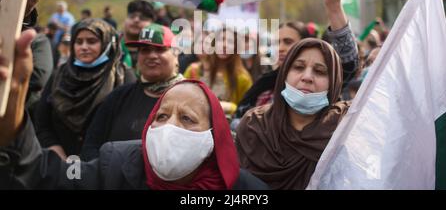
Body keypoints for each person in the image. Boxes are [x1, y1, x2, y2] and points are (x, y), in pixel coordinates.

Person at [0, 52, 269, 190]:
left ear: (213, 137)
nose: (169, 127)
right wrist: (11, 113)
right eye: (161, 116)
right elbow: (47, 175)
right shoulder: (113, 165)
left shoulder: (246, 190)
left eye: (187, 118)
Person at [234, 0, 359, 124]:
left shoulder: (323, 86)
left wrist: (334, 7)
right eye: (276, 42)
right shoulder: (263, 87)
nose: (280, 48)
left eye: (288, 42)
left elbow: (349, 64)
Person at [236, 38, 351, 189]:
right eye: (298, 67)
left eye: (320, 71)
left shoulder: (345, 129)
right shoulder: (254, 124)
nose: (307, 77)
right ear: (284, 74)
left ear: (333, 82)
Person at [81, 23, 184, 161]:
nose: (152, 56)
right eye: (145, 50)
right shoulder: (118, 96)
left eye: (160, 49)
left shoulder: (189, 97)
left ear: (176, 55)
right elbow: (91, 144)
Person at [34, 19, 135, 159]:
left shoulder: (123, 76)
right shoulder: (60, 74)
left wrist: (91, 166)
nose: (84, 47)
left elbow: (126, 127)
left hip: (102, 166)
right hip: (59, 163)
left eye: (92, 41)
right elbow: (42, 124)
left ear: (107, 43)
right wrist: (62, 160)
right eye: (78, 41)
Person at [184, 29, 253, 118]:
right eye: (221, 40)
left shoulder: (243, 78)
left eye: (230, 42)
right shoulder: (194, 70)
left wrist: (231, 107)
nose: (225, 45)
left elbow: (246, 110)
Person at [120, 0, 155, 70]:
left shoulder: (156, 54)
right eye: (132, 16)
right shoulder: (110, 46)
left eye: (143, 18)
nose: (136, 20)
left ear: (152, 24)